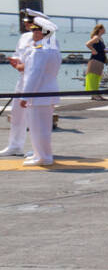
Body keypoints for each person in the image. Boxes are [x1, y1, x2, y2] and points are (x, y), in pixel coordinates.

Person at [17, 16, 61, 166]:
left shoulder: (40, 51)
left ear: (43, 33)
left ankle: (43, 157)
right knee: (41, 128)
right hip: (46, 92)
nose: (33, 33)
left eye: (35, 30)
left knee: (38, 129)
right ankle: (39, 154)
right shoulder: (52, 49)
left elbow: (34, 75)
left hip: (39, 94)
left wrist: (25, 96)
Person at [3, 13, 36, 157]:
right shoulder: (24, 37)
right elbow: (18, 54)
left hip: (35, 80)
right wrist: (15, 61)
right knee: (17, 114)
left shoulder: (46, 39)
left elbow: (40, 62)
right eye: (25, 21)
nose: (26, 24)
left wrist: (22, 66)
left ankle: (38, 148)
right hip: (22, 79)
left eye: (29, 21)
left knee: (34, 116)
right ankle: (15, 146)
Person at [84, 24, 108, 99]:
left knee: (97, 77)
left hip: (100, 60)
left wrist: (105, 51)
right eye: (103, 28)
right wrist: (93, 50)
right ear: (100, 29)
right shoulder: (96, 37)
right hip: (95, 60)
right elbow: (87, 44)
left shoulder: (100, 38)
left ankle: (96, 94)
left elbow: (100, 49)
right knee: (93, 77)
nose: (105, 30)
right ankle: (94, 94)